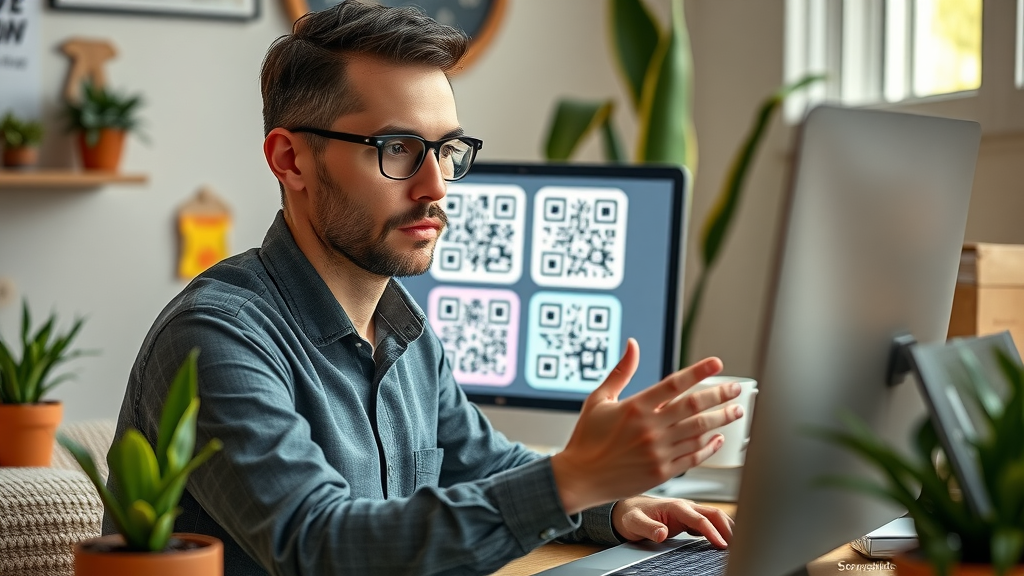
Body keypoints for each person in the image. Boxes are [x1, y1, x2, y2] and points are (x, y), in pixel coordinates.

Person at [107, 1, 745, 574]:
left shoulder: (401, 329)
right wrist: (569, 481)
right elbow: (316, 544)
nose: (435, 187)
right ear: (291, 160)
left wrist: (612, 503)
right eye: (396, 148)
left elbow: (488, 466)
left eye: (446, 150)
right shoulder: (216, 338)